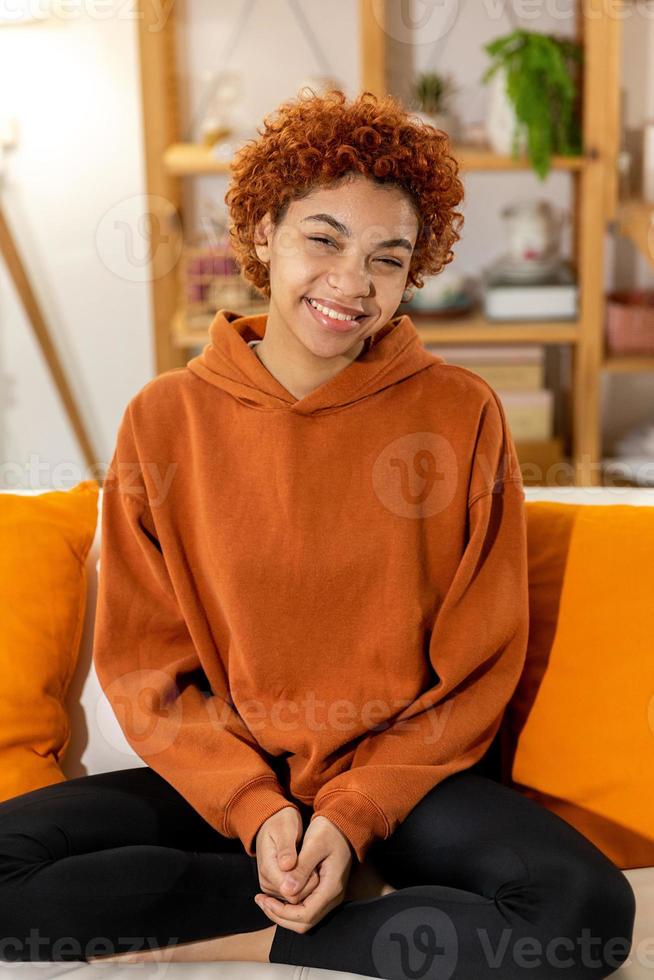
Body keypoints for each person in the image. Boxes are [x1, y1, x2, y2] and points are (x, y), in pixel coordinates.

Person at [0, 89, 635, 979]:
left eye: (388, 257)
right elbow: (148, 670)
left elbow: (480, 663)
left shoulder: (462, 414)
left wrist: (351, 814)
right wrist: (262, 814)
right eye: (324, 239)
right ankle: (292, 898)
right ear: (263, 233)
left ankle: (325, 890)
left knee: (587, 913)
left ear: (414, 273)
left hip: (408, 786)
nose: (352, 284)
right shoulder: (165, 418)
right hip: (233, 784)